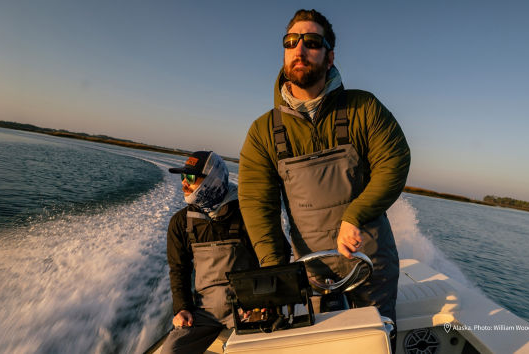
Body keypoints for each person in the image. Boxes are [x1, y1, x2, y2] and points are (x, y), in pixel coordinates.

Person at [237, 8, 410, 339]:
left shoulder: (364, 107)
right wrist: (276, 273)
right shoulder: (263, 132)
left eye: (312, 42)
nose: (299, 50)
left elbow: (395, 161)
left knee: (377, 339)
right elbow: (259, 206)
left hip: (371, 262)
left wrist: (355, 214)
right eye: (291, 42)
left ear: (329, 57)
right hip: (311, 270)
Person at [163, 151, 258, 354]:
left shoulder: (247, 213)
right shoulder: (180, 223)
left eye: (190, 177)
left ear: (212, 178)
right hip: (204, 312)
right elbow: (179, 270)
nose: (183, 183)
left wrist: (262, 302)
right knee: (171, 349)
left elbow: (270, 257)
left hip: (248, 308)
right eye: (182, 177)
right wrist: (182, 308)